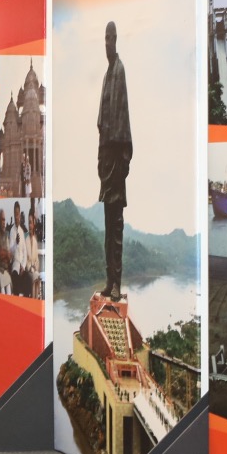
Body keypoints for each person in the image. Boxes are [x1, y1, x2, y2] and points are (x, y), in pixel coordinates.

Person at [97, 20, 131, 300]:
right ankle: (109, 280)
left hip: (117, 159)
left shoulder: (119, 72)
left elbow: (123, 117)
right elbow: (101, 122)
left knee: (117, 225)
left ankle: (117, 282)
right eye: (105, 38)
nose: (107, 42)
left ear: (116, 39)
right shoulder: (107, 74)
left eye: (110, 37)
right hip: (106, 158)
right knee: (108, 227)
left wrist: (122, 158)